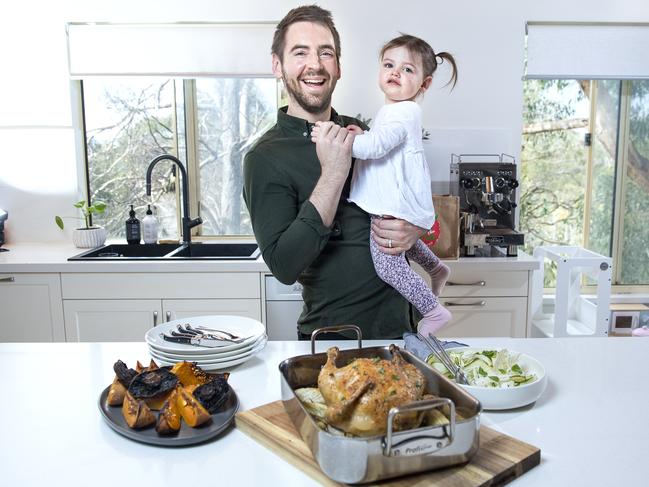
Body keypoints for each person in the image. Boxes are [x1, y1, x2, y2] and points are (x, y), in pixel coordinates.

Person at [243, 5, 425, 340]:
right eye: (300, 52)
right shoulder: (265, 158)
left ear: (338, 66)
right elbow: (284, 266)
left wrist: (415, 230)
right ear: (277, 66)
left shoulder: (366, 135)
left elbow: (417, 201)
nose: (315, 64)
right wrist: (333, 173)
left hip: (405, 335)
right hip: (335, 343)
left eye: (325, 53)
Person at [311, 34, 458, 337]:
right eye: (389, 64)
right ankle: (436, 268)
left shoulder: (404, 111)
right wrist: (362, 132)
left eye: (407, 70)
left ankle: (433, 310)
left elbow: (374, 149)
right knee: (398, 240)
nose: (395, 73)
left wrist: (336, 137)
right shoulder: (396, 110)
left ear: (424, 84)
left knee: (388, 265)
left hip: (391, 200)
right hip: (393, 197)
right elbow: (385, 142)